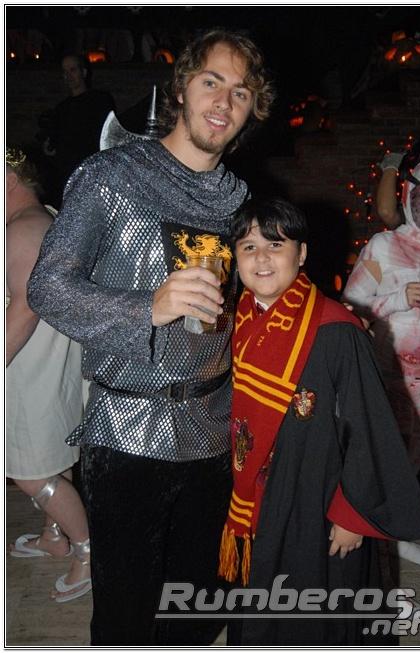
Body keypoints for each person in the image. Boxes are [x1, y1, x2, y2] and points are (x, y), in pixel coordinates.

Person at [27, 30, 274, 645]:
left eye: (241, 92)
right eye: (212, 81)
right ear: (182, 87)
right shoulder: (111, 176)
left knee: (196, 608)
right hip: (128, 432)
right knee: (126, 615)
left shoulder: (239, 200)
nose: (224, 101)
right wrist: (149, 305)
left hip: (213, 431)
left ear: (251, 110)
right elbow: (48, 288)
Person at [217, 197, 420, 646]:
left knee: (313, 609)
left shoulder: (335, 329)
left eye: (276, 245)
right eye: (249, 247)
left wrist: (353, 515)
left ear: (302, 254)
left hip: (319, 499)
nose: (261, 258)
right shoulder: (237, 320)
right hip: (260, 494)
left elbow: (367, 427)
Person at [6, 147, 91, 603]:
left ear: (10, 179)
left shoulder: (23, 228)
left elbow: (26, 305)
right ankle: (54, 536)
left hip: (28, 371)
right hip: (46, 366)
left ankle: (88, 552)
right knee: (50, 461)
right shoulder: (47, 218)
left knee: (30, 473)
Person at [343, 160, 420, 566]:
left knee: (414, 461)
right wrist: (400, 297)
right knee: (387, 462)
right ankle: (379, 539)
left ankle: (392, 535)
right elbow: (351, 307)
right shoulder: (384, 246)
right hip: (392, 376)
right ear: (409, 197)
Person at [42, 54, 115, 206]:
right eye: (65, 72)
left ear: (84, 72)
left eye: (73, 70)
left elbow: (107, 135)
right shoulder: (62, 109)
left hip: (95, 175)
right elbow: (54, 144)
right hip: (68, 178)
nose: (68, 76)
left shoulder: (99, 100)